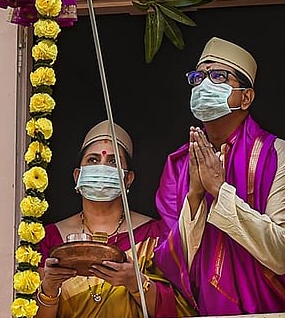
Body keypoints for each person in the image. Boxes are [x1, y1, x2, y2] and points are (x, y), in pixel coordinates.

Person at [154, 37, 285, 314]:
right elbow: (169, 263)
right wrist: (195, 195)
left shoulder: (275, 153)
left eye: (218, 76)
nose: (205, 85)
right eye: (198, 77)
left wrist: (220, 191)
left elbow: (282, 255)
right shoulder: (179, 164)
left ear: (246, 97)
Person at [37, 121, 193, 318]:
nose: (102, 167)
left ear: (129, 179)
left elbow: (179, 310)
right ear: (78, 176)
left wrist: (135, 283)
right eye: (93, 160)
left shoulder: (154, 235)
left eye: (113, 162)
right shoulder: (51, 238)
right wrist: (49, 288)